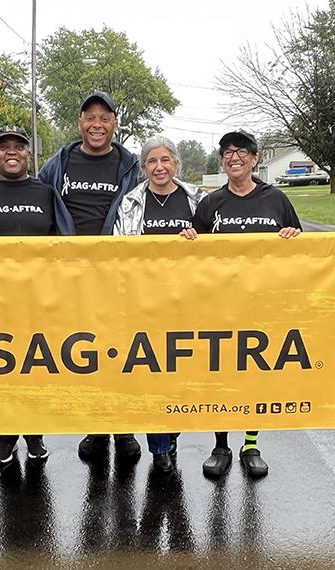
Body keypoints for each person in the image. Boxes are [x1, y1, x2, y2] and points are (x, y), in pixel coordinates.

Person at [0, 91, 142, 462]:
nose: (97, 125)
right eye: (89, 118)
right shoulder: (58, 166)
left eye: (104, 118)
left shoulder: (131, 166)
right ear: (79, 124)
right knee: (82, 354)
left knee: (120, 354)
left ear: (114, 124)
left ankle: (122, 428)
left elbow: (151, 203)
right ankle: (95, 429)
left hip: (115, 276)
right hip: (66, 278)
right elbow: (19, 189)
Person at [185, 130, 301, 480]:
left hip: (262, 304)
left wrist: (292, 240)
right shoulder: (211, 204)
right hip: (220, 304)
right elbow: (194, 256)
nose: (234, 157)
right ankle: (221, 444)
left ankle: (251, 444)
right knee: (221, 375)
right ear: (223, 161)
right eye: (227, 153)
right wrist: (190, 239)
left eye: (241, 152)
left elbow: (301, 254)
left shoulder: (276, 200)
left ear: (254, 158)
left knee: (255, 376)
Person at [0, 125, 74, 468]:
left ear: (29, 153)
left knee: (36, 370)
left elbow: (65, 241)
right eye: (4, 147)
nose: (12, 152)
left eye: (19, 147)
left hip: (37, 300)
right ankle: (6, 438)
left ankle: (35, 436)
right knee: (1, 371)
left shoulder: (44, 192)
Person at [113, 135, 206, 472]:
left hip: (187, 302)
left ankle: (172, 434)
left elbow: (216, 249)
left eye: (165, 160)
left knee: (180, 375)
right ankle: (160, 448)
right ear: (144, 167)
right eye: (152, 161)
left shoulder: (196, 200)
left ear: (176, 164)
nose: (159, 167)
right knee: (152, 376)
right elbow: (120, 252)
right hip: (146, 304)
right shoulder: (131, 203)